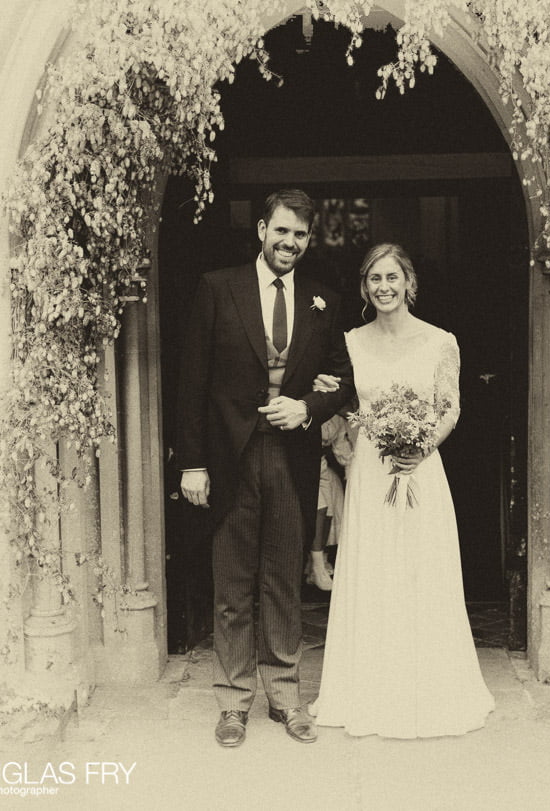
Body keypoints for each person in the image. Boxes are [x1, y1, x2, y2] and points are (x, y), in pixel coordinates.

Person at [176, 189, 353, 748]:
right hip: (230, 458)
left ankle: (284, 696)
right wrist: (193, 463)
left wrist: (307, 407)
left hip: (291, 456)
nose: (290, 243)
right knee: (232, 583)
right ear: (261, 230)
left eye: (300, 235)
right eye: (282, 231)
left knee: (281, 580)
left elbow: (345, 379)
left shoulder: (322, 300)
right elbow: (191, 383)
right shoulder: (217, 287)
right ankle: (232, 703)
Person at [311, 243, 495, 738]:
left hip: (420, 471)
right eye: (375, 279)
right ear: (365, 288)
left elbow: (450, 407)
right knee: (374, 571)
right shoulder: (350, 342)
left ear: (408, 282)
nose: (384, 287)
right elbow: (341, 396)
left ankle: (427, 688)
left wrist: (422, 445)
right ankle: (368, 688)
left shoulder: (440, 342)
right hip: (372, 474)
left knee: (420, 571)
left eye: (392, 277)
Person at [306, 412, 355, 591]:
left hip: (320, 464)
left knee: (328, 512)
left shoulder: (338, 420)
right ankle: (318, 567)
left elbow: (342, 449)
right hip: (302, 462)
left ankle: (317, 563)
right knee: (319, 507)